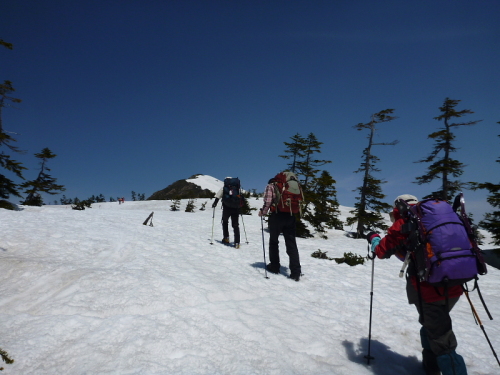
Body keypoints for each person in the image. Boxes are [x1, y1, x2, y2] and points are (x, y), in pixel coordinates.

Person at [367, 194, 467, 375]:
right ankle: (431, 367)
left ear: (398, 207)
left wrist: (374, 238)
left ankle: (444, 368)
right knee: (432, 326)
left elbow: (382, 250)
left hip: (428, 289)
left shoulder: (405, 221)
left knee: (442, 340)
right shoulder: (437, 219)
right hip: (456, 283)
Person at [258, 177, 301, 281]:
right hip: (290, 216)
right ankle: (296, 272)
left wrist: (263, 212)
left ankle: (275, 266)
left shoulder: (271, 186)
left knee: (273, 241)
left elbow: (268, 201)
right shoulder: (291, 185)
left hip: (277, 216)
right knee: (291, 244)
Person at [212, 177, 241, 249]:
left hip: (226, 208)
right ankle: (237, 242)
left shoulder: (224, 188)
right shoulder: (237, 188)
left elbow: (218, 196)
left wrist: (215, 203)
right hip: (235, 208)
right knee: (235, 225)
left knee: (225, 222)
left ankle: (226, 238)